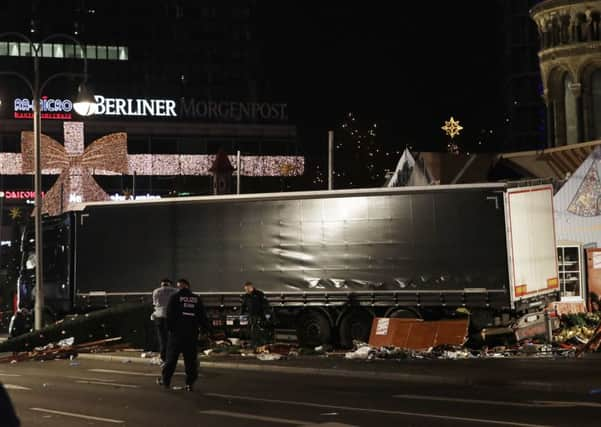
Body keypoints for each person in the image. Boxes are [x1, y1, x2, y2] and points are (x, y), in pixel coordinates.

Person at [159, 278, 210, 391]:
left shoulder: (175, 297)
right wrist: (204, 330)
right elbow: (202, 316)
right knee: (191, 361)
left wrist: (170, 330)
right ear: (188, 286)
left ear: (180, 286)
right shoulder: (196, 299)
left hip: (176, 335)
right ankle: (189, 384)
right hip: (191, 335)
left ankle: (166, 381)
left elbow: (169, 315)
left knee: (171, 359)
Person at [151, 278, 178, 363]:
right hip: (171, 317)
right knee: (172, 337)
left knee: (162, 338)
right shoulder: (175, 291)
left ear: (162, 284)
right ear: (169, 284)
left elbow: (155, 303)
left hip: (159, 317)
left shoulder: (156, 291)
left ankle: (163, 357)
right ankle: (171, 356)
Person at [241, 281, 270, 348]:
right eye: (245, 289)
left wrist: (266, 314)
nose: (246, 291)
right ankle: (255, 344)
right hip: (251, 316)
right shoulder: (246, 296)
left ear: (251, 287)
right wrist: (242, 315)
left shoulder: (259, 294)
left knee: (259, 330)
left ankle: (260, 344)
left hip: (260, 315)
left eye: (247, 289)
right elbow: (243, 306)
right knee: (252, 330)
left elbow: (265, 304)